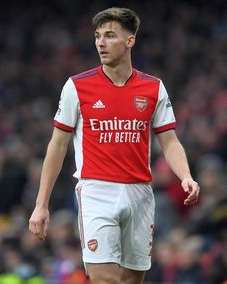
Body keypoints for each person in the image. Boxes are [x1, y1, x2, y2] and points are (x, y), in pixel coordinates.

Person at [29, 7, 200, 284]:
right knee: (105, 280)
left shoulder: (154, 88)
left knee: (132, 280)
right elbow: (57, 146)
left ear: (130, 41)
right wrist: (41, 204)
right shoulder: (77, 86)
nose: (100, 42)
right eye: (98, 36)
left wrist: (186, 176)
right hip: (97, 191)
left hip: (141, 192)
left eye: (109, 35)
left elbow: (169, 141)